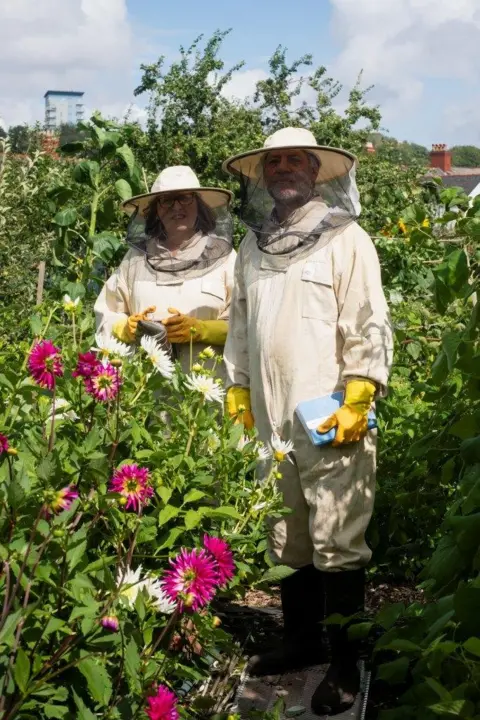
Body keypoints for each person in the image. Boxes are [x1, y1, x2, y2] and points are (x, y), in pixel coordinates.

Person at [223, 128, 393, 715]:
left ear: (317, 171)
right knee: (286, 535)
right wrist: (238, 389)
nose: (284, 169)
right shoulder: (252, 246)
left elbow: (368, 318)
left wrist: (362, 392)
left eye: (296, 159)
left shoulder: (348, 240)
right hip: (270, 418)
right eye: (274, 162)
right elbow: (240, 324)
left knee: (338, 539)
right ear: (263, 174)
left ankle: (345, 664)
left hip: (331, 416)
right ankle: (301, 640)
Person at [94, 166, 235, 370]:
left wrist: (202, 329)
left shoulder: (226, 258)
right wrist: (124, 328)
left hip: (206, 386)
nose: (176, 207)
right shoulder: (134, 260)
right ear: (155, 210)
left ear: (199, 205)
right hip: (143, 390)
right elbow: (106, 311)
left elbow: (245, 323)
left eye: (185, 198)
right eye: (167, 200)